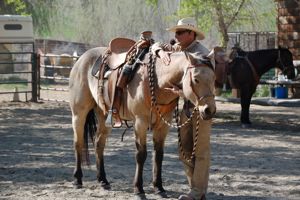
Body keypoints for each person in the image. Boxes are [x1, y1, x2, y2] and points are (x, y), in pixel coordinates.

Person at [151, 17, 210, 200]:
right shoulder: (179, 50)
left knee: (200, 152)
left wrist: (181, 93)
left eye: (180, 32)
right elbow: (156, 45)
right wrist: (160, 52)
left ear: (191, 34)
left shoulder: (202, 55)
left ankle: (197, 192)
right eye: (175, 32)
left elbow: (207, 87)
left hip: (201, 107)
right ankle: (196, 190)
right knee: (184, 151)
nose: (175, 35)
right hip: (185, 108)